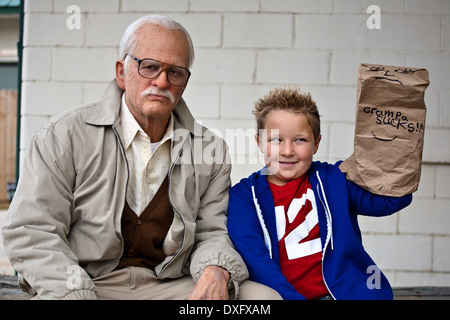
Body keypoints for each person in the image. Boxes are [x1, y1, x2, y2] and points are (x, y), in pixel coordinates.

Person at [1, 15, 281, 300]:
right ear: (122, 72)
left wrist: (216, 268)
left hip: (169, 285)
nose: (162, 81)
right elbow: (32, 231)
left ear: (185, 81)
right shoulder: (63, 136)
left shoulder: (211, 150)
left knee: (263, 301)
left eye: (175, 72)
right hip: (84, 281)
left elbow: (211, 232)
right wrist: (73, 291)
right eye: (149, 67)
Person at [227, 86, 413, 300]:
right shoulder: (244, 197)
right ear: (259, 142)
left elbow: (388, 202)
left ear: (316, 143)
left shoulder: (333, 179)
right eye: (276, 140)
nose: (287, 151)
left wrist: (399, 157)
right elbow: (256, 261)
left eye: (300, 140)